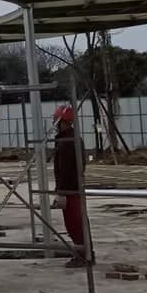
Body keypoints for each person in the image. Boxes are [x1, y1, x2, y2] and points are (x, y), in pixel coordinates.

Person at [51, 105, 89, 266]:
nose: (54, 123)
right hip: (72, 188)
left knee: (75, 224)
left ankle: (83, 256)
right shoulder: (69, 138)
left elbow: (65, 168)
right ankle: (85, 253)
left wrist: (61, 190)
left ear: (63, 121)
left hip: (70, 189)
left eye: (56, 120)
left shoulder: (67, 141)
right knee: (77, 222)